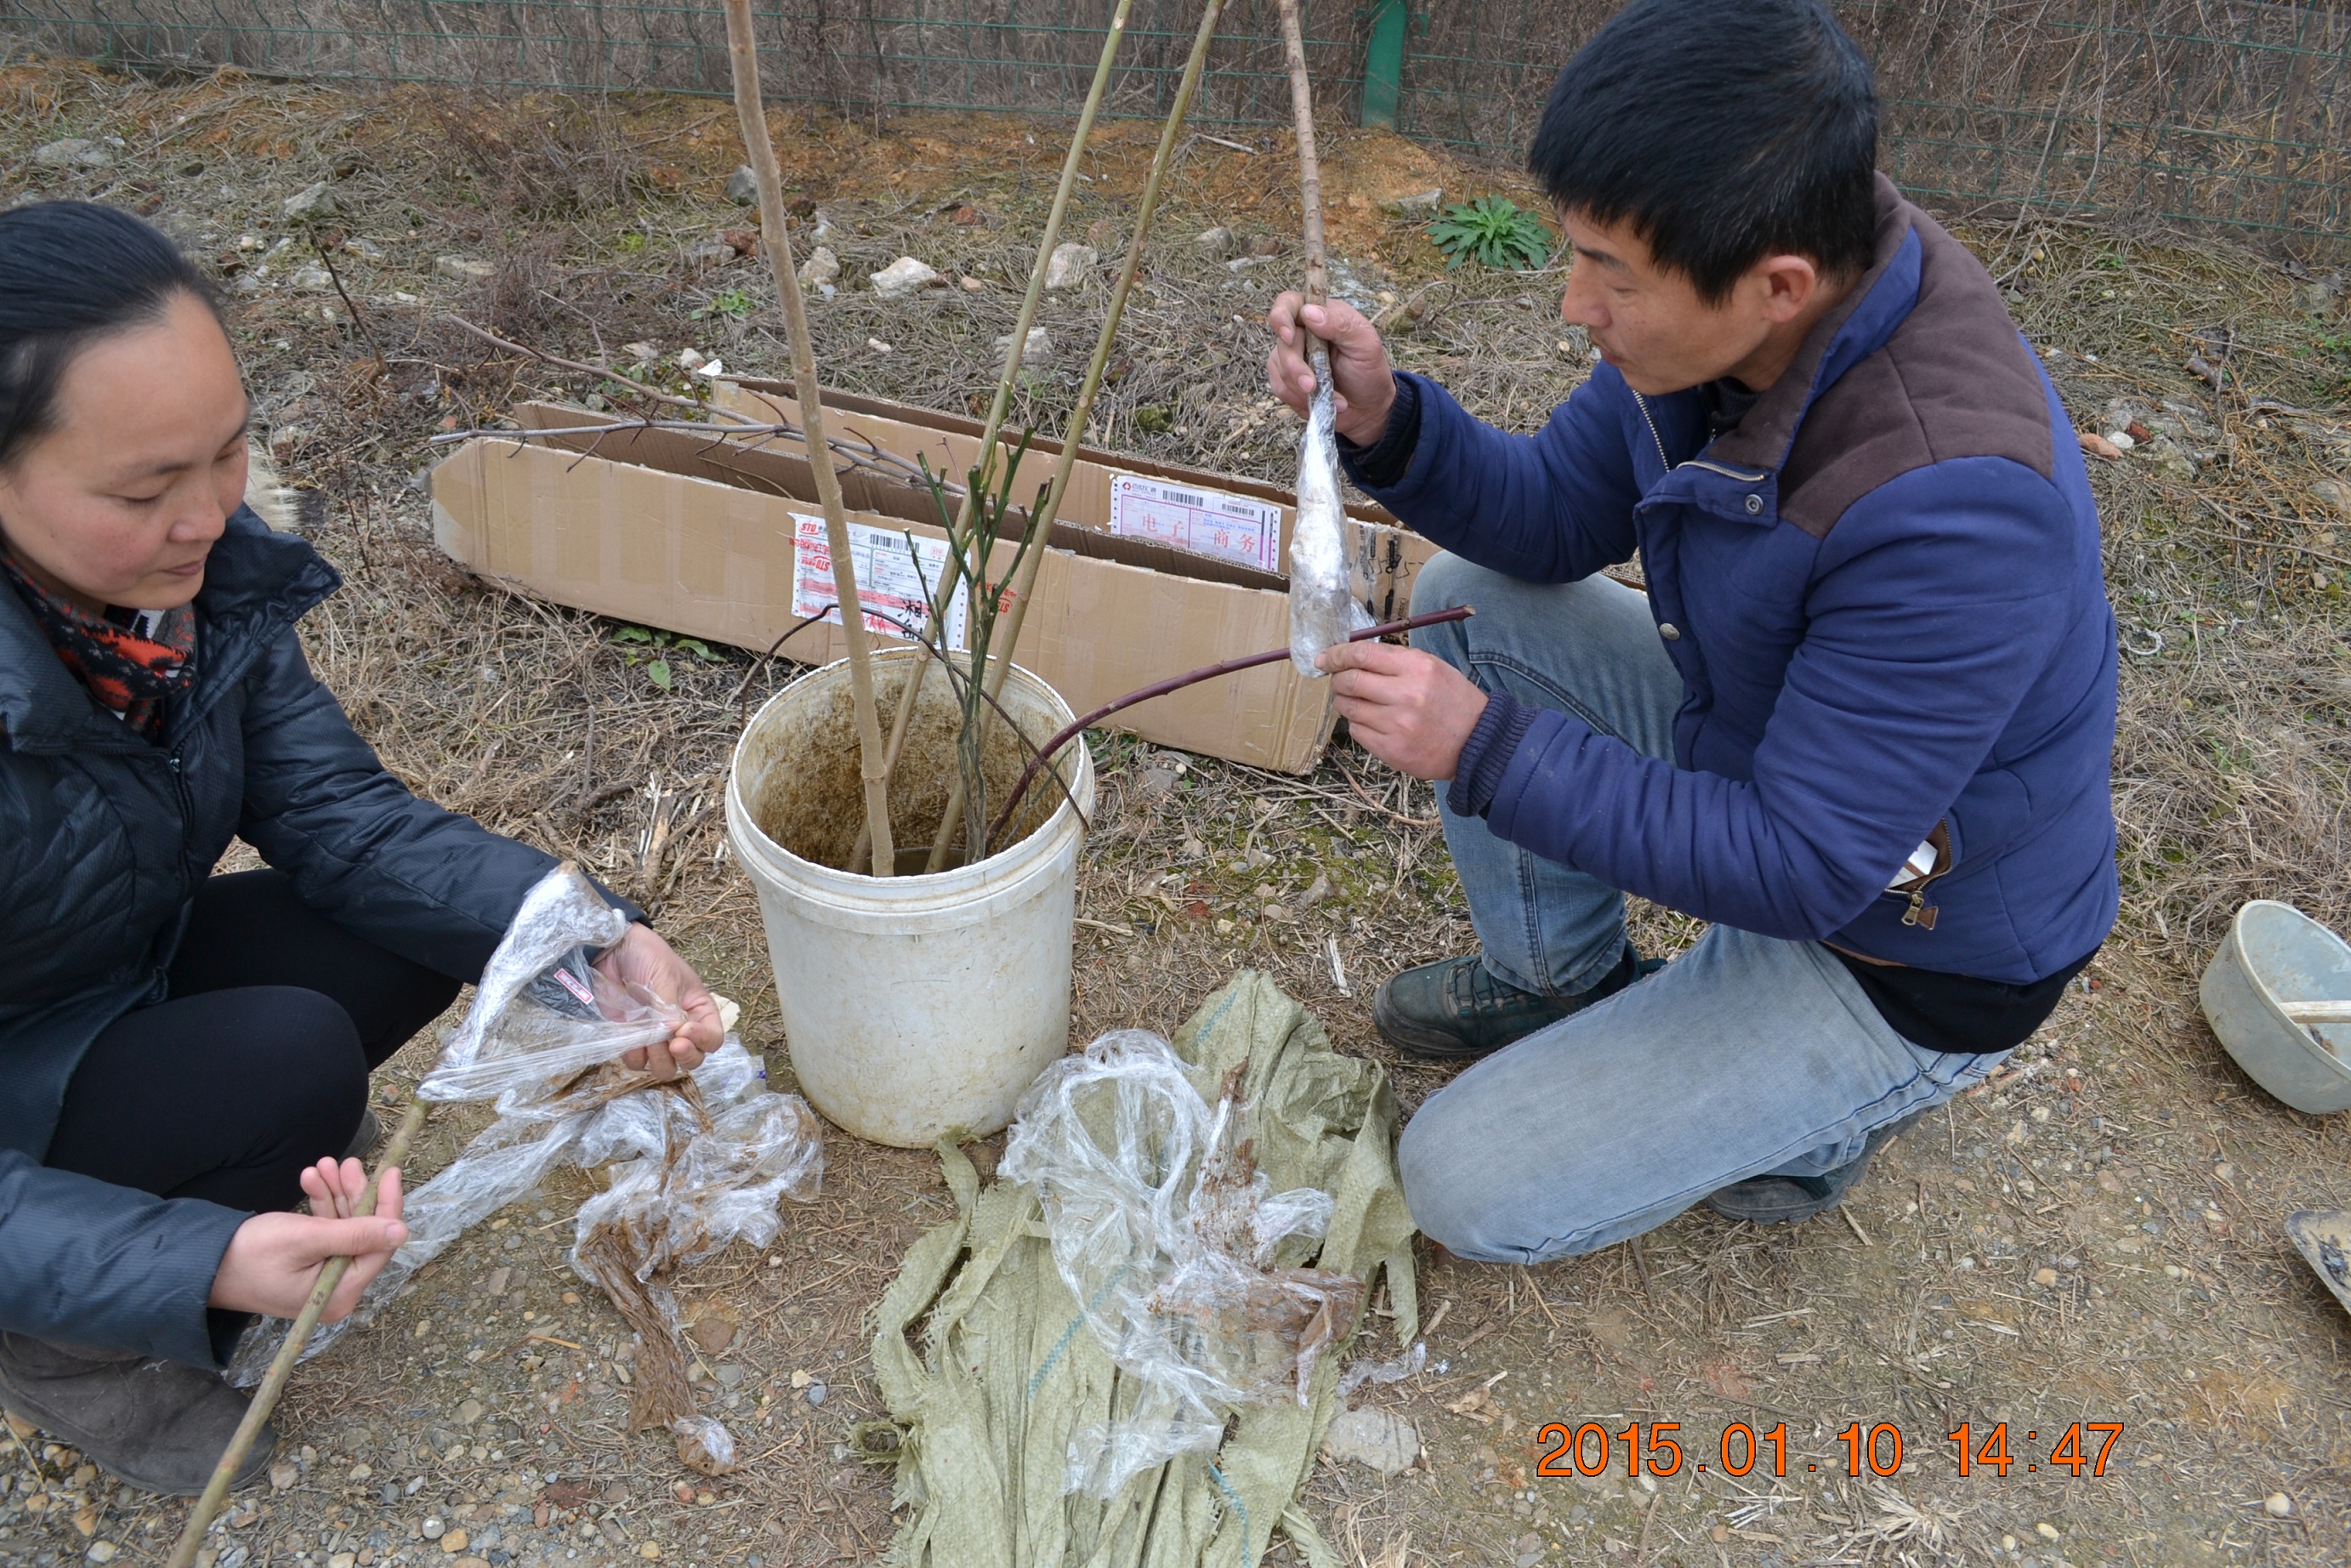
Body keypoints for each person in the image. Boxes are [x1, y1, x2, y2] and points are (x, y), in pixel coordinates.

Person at [1265, 0, 2115, 1264]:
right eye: (1577, 255)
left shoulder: (1954, 509)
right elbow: (1553, 517)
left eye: (1610, 274)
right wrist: (1388, 421)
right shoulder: (1756, 273)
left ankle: (1828, 1115)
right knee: (1471, 609)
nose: (1574, 306)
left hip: (1904, 933)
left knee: (1463, 1187)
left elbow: (1801, 864)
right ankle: (1564, 980)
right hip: (1772, 755)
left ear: (1775, 285)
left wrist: (1486, 752)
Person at [0, 201, 724, 1495]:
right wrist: (194, 1262)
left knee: (391, 946)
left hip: (92, 974)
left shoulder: (182, 591)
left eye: (224, 454)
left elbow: (342, 819)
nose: (209, 515)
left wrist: (590, 944)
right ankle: (55, 1334)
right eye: (143, 489)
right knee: (283, 1059)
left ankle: (175, 1189)